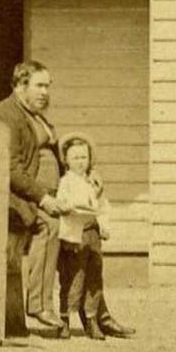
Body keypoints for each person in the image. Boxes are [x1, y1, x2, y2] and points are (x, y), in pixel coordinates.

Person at [0, 60, 135, 338]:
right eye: (40, 86)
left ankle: (95, 313)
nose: (46, 92)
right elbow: (9, 170)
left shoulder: (34, 116)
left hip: (36, 194)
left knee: (89, 229)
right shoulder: (5, 117)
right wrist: (44, 198)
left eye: (48, 86)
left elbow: (58, 155)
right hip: (2, 196)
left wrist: (87, 174)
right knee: (50, 224)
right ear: (21, 86)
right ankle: (40, 306)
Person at [56, 133, 112, 341]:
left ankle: (91, 320)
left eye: (84, 158)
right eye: (75, 158)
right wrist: (68, 206)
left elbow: (103, 206)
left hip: (92, 233)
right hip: (75, 234)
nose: (80, 162)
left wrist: (104, 227)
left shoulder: (93, 182)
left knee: (94, 277)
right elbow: (61, 203)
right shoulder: (66, 182)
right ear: (67, 161)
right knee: (73, 278)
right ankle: (64, 319)